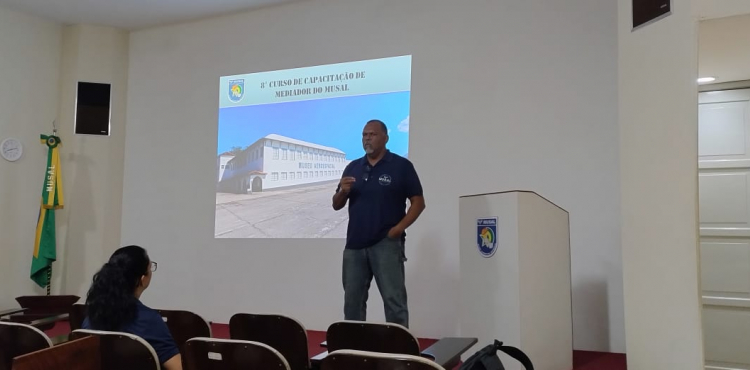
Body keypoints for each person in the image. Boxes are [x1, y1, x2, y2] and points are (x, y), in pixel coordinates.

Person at [332, 119, 426, 328]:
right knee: (352, 303)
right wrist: (342, 191)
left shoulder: (401, 166)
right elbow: (336, 205)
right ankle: (354, 349)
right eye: (364, 134)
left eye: (372, 134)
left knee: (394, 301)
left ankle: (399, 350)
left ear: (385, 138)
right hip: (354, 246)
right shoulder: (353, 167)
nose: (367, 138)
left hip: (386, 243)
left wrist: (398, 230)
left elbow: (418, 202)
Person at [82, 245, 182, 370]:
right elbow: (178, 367)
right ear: (142, 279)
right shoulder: (149, 321)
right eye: (150, 268)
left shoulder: (91, 316)